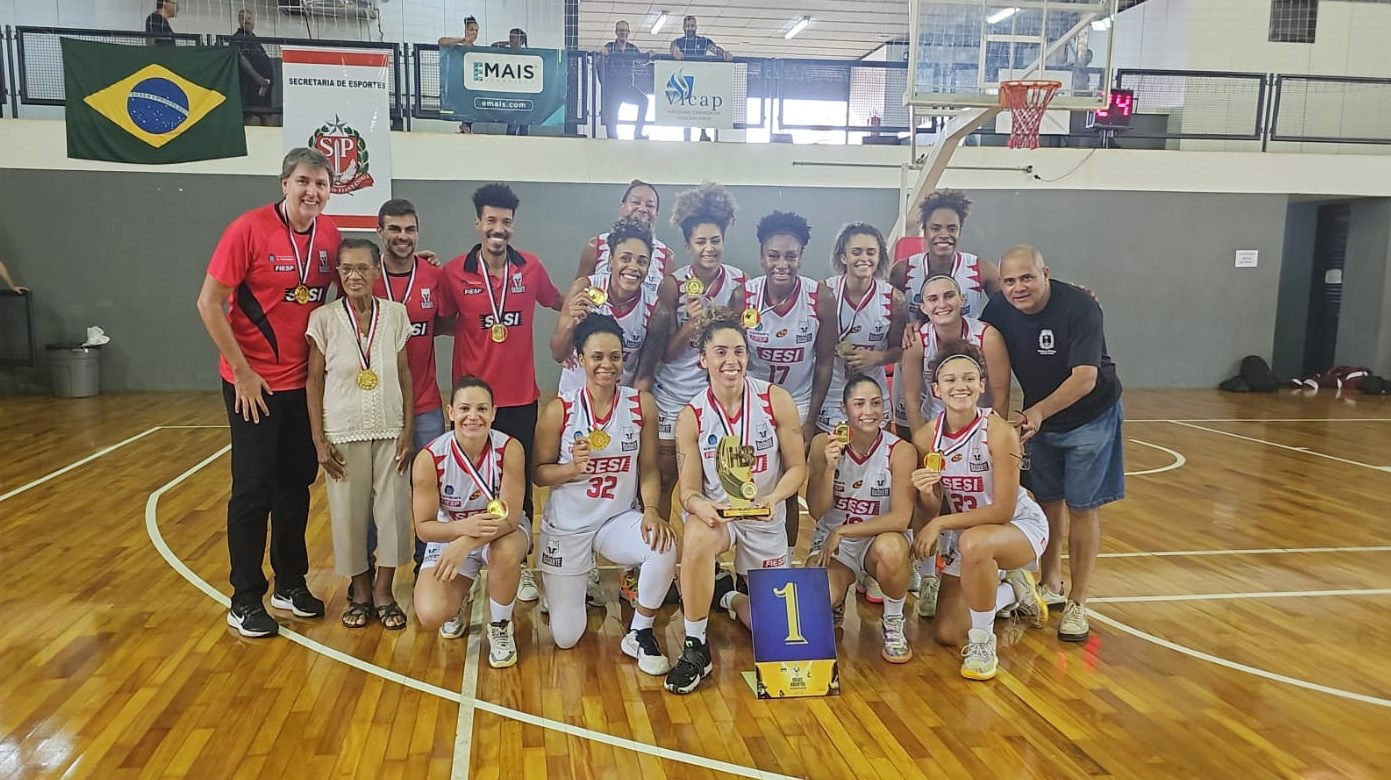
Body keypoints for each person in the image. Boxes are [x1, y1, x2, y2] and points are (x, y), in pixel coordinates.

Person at [196, 148, 341, 638]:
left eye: (321, 184)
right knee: (253, 490)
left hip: (301, 388)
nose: (312, 192)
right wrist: (241, 371)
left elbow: (354, 285)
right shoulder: (247, 229)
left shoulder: (329, 237)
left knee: (295, 486)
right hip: (252, 385)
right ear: (284, 183)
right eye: (303, 181)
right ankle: (244, 597)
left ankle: (291, 583)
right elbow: (209, 302)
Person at [980, 246, 1124, 642]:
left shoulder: (1079, 307)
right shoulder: (997, 310)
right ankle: (1051, 583)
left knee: (1082, 508)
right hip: (1039, 418)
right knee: (1047, 501)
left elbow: (1084, 378)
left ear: (1046, 273)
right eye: (1009, 280)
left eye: (1027, 277)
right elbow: (972, 339)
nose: (1018, 287)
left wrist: (1038, 412)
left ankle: (1078, 602)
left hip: (1090, 415)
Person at [664, 313, 806, 695]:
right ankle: (696, 647)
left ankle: (727, 595)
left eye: (739, 351)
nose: (731, 361)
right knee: (695, 537)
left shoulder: (775, 400)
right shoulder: (691, 416)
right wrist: (700, 507)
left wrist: (776, 497)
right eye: (721, 352)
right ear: (703, 359)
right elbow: (689, 489)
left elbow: (797, 468)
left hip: (765, 512)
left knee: (774, 630)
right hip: (720, 516)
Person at [437, 184, 561, 604]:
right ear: (478, 223)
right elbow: (437, 320)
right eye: (491, 220)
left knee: (518, 486)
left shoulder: (532, 268)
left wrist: (589, 301)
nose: (498, 228)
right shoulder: (453, 272)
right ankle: (466, 561)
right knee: (468, 485)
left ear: (513, 225)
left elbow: (557, 302)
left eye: (506, 222)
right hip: (472, 405)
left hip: (520, 398)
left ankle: (517, 564)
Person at [533, 315, 676, 671]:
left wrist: (653, 510)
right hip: (568, 526)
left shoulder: (641, 405)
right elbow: (537, 474)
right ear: (580, 358)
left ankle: (639, 632)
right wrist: (570, 469)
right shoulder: (559, 410)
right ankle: (567, 587)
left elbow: (648, 468)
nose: (606, 365)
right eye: (597, 356)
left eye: (614, 356)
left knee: (664, 545)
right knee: (567, 637)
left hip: (615, 518)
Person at [910, 343, 1050, 680]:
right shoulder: (927, 436)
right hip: (970, 534)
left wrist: (941, 522)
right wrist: (928, 495)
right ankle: (1014, 590)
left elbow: (1001, 511)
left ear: (982, 385)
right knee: (946, 632)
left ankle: (983, 643)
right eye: (951, 380)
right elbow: (935, 506)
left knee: (976, 543)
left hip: (1018, 526)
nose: (961, 386)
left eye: (969, 378)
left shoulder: (1000, 432)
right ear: (936, 389)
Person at [305, 238, 413, 630]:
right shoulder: (324, 319)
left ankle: (385, 590)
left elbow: (404, 374)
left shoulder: (397, 314)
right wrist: (319, 440)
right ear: (338, 272)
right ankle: (361, 591)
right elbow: (313, 380)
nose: (354, 276)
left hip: (390, 427)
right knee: (349, 515)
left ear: (376, 270)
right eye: (347, 268)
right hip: (342, 431)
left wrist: (408, 429)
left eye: (363, 268)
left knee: (394, 513)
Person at [411, 377, 531, 668]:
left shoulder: (509, 449)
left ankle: (501, 626)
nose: (473, 416)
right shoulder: (430, 458)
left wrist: (465, 542)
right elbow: (424, 527)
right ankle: (460, 598)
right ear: (450, 412)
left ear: (493, 412)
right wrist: (458, 532)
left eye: (481, 408)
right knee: (429, 614)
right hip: (451, 534)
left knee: (505, 551)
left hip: (502, 532)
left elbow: (510, 517)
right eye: (465, 408)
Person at [648, 182, 746, 526]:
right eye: (701, 241)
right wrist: (693, 323)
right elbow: (665, 353)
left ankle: (709, 564)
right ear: (688, 244)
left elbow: (738, 346)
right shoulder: (672, 284)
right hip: (674, 395)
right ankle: (656, 557)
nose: (709, 248)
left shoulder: (737, 283)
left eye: (715, 240)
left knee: (712, 485)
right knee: (664, 481)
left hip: (716, 399)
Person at [742, 211, 836, 553]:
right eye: (774, 255)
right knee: (748, 485)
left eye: (790, 256)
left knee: (788, 488)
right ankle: (745, 567)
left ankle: (785, 561)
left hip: (796, 403)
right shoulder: (745, 296)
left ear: (801, 257)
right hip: (752, 404)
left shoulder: (820, 297)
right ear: (761, 256)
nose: (782, 264)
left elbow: (825, 363)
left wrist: (809, 420)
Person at [805, 375, 917, 663]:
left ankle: (893, 622)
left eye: (876, 403)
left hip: (876, 539)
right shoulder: (823, 444)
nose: (869, 411)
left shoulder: (900, 450)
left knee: (892, 550)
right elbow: (817, 510)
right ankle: (837, 597)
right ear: (844, 409)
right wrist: (829, 468)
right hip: (835, 547)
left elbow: (902, 518)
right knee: (813, 604)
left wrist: (843, 530)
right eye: (859, 404)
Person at [373, 198, 446, 573]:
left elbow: (446, 322)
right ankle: (370, 570)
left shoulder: (434, 276)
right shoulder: (364, 276)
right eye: (395, 229)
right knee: (379, 493)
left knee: (428, 488)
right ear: (380, 231)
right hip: (376, 405)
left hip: (425, 405)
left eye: (410, 230)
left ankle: (426, 564)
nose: (403, 237)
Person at [890, 189, 999, 437]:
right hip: (917, 359)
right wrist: (905, 327)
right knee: (909, 427)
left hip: (965, 362)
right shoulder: (903, 270)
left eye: (952, 228)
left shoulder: (979, 268)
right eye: (935, 228)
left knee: (968, 429)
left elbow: (1015, 302)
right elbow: (882, 312)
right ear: (924, 230)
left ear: (960, 230)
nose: (944, 234)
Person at [815, 221, 905, 435]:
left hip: (872, 391)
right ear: (843, 257)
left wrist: (877, 358)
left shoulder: (893, 299)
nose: (864, 258)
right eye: (856, 252)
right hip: (831, 389)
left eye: (871, 252)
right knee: (829, 455)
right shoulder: (824, 291)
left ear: (879, 258)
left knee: (871, 457)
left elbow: (898, 350)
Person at [553, 217, 659, 396]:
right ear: (611, 261)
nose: (633, 267)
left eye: (641, 261)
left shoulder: (654, 308)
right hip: (574, 396)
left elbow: (644, 374)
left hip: (619, 400)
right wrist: (571, 325)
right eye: (625, 258)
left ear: (648, 267)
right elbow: (557, 354)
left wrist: (628, 409)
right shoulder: (584, 288)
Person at [574, 180, 672, 297]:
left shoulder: (667, 256)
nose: (642, 209)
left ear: (656, 214)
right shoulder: (596, 246)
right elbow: (576, 295)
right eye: (636, 202)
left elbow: (666, 305)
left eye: (650, 205)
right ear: (622, 207)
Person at [600, 21, 652, 140]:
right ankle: (612, 140)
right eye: (620, 30)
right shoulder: (610, 46)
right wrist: (602, 52)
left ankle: (637, 133)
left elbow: (642, 61)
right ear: (616, 32)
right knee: (612, 118)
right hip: (613, 90)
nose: (623, 33)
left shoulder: (632, 48)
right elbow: (601, 56)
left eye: (625, 31)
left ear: (628, 33)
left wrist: (649, 55)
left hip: (628, 87)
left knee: (644, 100)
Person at [231, 9, 275, 127]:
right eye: (243, 19)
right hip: (249, 87)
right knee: (248, 115)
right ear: (239, 21)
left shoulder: (254, 39)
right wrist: (259, 79)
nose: (246, 21)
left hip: (263, 88)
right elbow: (242, 59)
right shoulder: (239, 38)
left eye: (249, 19)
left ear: (254, 22)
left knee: (265, 115)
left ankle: (269, 142)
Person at [439, 17, 480, 134]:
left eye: (477, 30)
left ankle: (466, 126)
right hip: (457, 84)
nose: (474, 33)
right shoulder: (457, 46)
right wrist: (462, 40)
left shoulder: (477, 50)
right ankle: (465, 126)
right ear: (466, 30)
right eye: (472, 29)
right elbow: (441, 41)